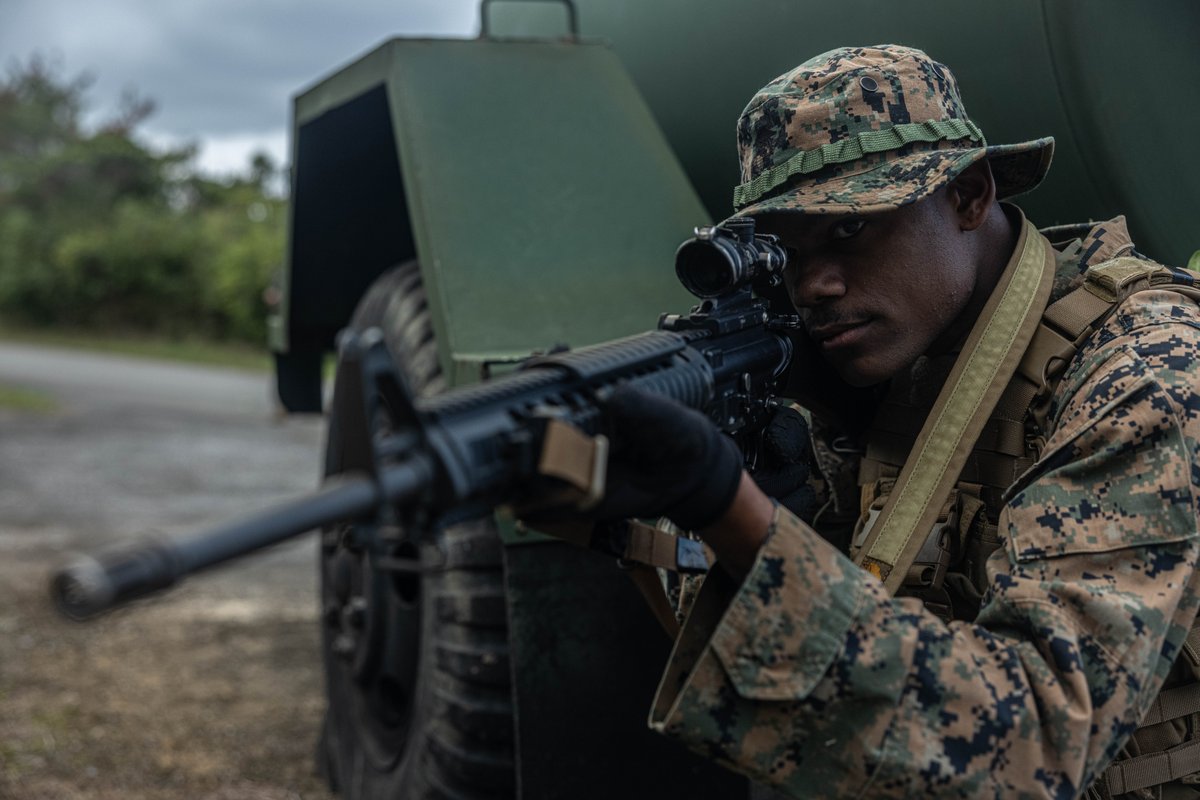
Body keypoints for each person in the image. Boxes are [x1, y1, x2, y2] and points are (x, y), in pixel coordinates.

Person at [561, 45, 1200, 798]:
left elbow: (1031, 747)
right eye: (785, 251)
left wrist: (732, 512)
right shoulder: (901, 355)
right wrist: (754, 518)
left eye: (848, 230)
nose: (813, 287)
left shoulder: (1147, 370)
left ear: (968, 196)